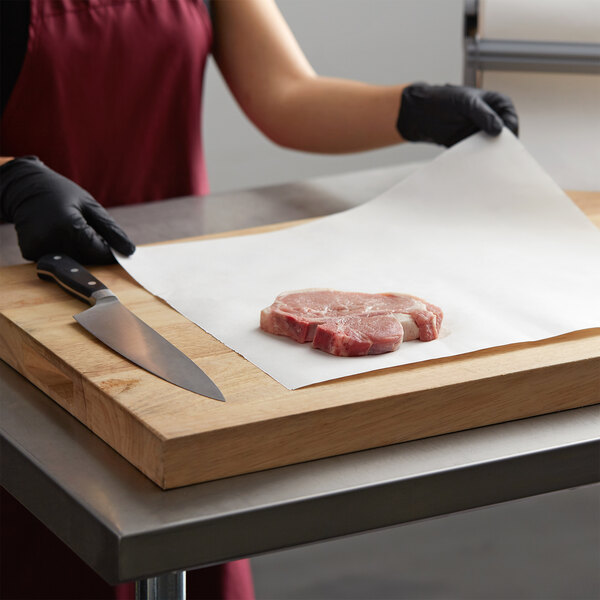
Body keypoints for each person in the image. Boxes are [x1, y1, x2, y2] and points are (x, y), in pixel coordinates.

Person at [0, 1, 518, 598]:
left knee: (185, 528)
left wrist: (412, 109)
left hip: (164, 295)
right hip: (22, 298)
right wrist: (9, 178)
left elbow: (285, 93)